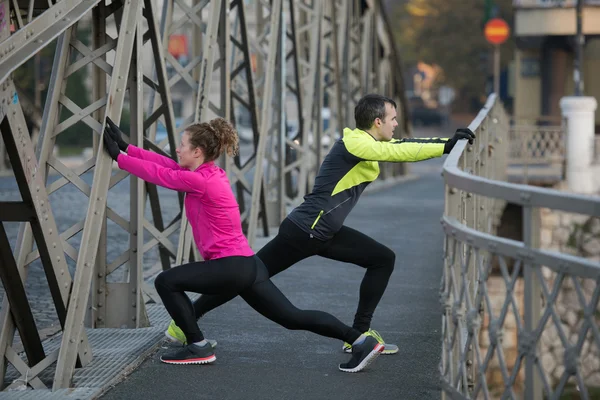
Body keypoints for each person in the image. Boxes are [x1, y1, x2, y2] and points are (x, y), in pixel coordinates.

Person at [163, 94, 476, 355]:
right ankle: (186, 320)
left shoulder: (369, 144)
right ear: (377, 122)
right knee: (250, 276)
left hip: (323, 231)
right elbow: (398, 151)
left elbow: (401, 144)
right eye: (392, 118)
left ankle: (360, 335)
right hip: (304, 230)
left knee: (382, 259)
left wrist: (444, 142)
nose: (396, 124)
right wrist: (446, 145)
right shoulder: (355, 142)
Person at [101, 116, 384, 372]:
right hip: (249, 265)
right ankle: (359, 341)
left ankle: (197, 345)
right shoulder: (209, 174)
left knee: (166, 281)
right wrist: (127, 149)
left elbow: (164, 176)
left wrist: (119, 158)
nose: (178, 149)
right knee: (291, 317)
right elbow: (169, 166)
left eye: (183, 144)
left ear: (197, 152)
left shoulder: (201, 182)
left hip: (232, 267)